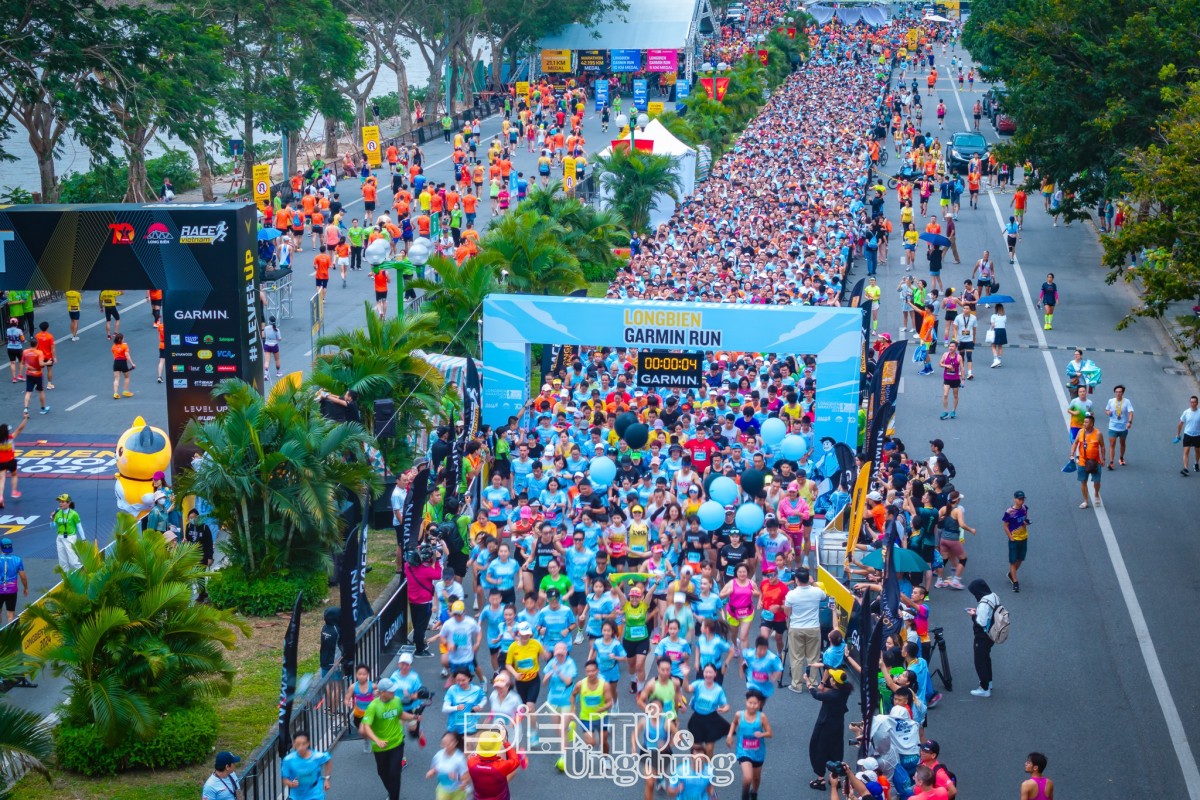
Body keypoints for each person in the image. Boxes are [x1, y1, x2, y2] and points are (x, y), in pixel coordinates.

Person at [360, 677, 420, 800]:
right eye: (390, 691)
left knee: (394, 773)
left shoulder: (396, 700)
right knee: (383, 773)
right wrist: (377, 740)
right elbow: (366, 726)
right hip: (380, 746)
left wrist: (413, 717)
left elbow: (400, 714)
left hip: (397, 742)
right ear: (382, 692)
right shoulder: (373, 707)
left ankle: (394, 797)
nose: (393, 692)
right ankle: (392, 792)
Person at [807, 669, 853, 790]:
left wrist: (809, 685)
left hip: (825, 725)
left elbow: (817, 695)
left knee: (819, 749)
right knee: (836, 749)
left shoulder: (832, 695)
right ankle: (835, 776)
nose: (830, 678)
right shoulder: (845, 690)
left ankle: (820, 779)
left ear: (834, 683)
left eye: (831, 678)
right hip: (838, 725)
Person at [784, 567, 826, 693]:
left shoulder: (791, 594)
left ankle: (796, 684)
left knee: (796, 657)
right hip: (813, 628)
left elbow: (787, 612)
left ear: (796, 580)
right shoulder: (817, 592)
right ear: (808, 578)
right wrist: (813, 582)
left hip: (796, 627)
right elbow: (824, 596)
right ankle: (812, 682)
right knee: (813, 657)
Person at [726, 689, 772, 800]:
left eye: (755, 703)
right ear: (746, 702)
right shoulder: (739, 714)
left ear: (759, 704)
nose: (752, 706)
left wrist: (762, 734)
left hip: (758, 752)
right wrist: (730, 735)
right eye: (750, 703)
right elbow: (734, 722)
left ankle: (754, 792)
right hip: (743, 751)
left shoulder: (762, 717)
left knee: (756, 778)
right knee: (747, 778)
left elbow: (770, 733)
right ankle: (745, 797)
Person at [966, 579, 999, 697]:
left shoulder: (983, 604)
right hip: (992, 633)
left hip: (982, 636)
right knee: (986, 658)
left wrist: (973, 615)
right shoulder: (993, 596)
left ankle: (984, 688)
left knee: (979, 661)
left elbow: (981, 622)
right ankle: (989, 682)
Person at [466, 729, 522, 800]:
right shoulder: (500, 766)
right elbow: (515, 760)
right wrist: (506, 743)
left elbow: (473, 756)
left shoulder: (471, 762)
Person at [280, 730, 332, 800]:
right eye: (298, 744)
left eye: (303, 744)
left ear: (308, 743)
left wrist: (327, 779)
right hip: (298, 795)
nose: (301, 747)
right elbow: (284, 779)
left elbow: (328, 759)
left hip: (315, 792)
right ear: (294, 744)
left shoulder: (316, 756)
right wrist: (291, 784)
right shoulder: (288, 760)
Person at [1069, 413, 1104, 508]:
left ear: (1092, 424)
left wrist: (1103, 459)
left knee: (1097, 481)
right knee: (1083, 481)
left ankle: (1096, 493)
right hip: (1082, 462)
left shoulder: (1098, 434)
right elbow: (1075, 443)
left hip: (1095, 462)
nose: (1084, 423)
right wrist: (1071, 454)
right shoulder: (1081, 432)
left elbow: (1102, 446)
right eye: (1084, 422)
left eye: (1086, 422)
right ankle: (1085, 501)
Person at [427, 731, 470, 800]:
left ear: (455, 743)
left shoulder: (460, 758)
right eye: (443, 743)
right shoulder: (438, 755)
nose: (445, 746)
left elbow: (467, 776)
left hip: (457, 790)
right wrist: (432, 771)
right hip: (443, 788)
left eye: (448, 743)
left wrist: (458, 778)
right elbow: (436, 767)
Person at [1002, 491, 1030, 592]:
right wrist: (1010, 537)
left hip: (1024, 537)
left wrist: (1025, 523)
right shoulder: (1009, 512)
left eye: (1023, 499)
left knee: (1021, 559)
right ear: (1015, 499)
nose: (1021, 501)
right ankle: (1015, 582)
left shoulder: (1024, 508)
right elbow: (1005, 525)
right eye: (1019, 499)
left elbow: (1024, 519)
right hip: (1014, 539)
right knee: (1013, 561)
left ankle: (1011, 574)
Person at [52, 493, 85, 572]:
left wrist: (84, 539)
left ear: (68, 503)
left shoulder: (74, 514)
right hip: (60, 538)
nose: (60, 503)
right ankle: (67, 580)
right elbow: (53, 526)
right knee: (63, 563)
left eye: (63, 502)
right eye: (60, 502)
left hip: (70, 538)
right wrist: (52, 518)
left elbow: (79, 527)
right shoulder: (58, 513)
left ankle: (85, 574)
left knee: (73, 562)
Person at [0, 537, 29, 625]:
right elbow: (23, 577)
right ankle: (10, 634)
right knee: (10, 614)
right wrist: (26, 588)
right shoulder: (18, 560)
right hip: (11, 591)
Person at [0, 419, 27, 508]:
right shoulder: (11, 438)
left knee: (2, 479)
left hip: (1, 462)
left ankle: (0, 497)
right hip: (11, 461)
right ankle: (14, 491)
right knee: (14, 475)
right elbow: (20, 429)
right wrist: (25, 419)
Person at [1104, 385, 1132, 469]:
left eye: (1120, 392)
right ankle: (1111, 462)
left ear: (1122, 393)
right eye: (1116, 392)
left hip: (1123, 427)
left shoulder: (1127, 401)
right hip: (1113, 426)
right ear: (1114, 393)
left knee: (1122, 443)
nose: (1118, 393)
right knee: (1112, 444)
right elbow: (1107, 410)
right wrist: (1108, 412)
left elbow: (1131, 412)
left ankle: (1121, 458)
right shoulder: (1111, 401)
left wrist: (1129, 422)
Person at [20, 340, 48, 416]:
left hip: (29, 374)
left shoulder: (25, 351)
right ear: (37, 344)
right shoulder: (39, 352)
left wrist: (20, 373)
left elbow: (22, 363)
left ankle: (26, 408)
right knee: (41, 391)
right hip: (38, 374)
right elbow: (41, 363)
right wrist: (47, 363)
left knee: (28, 392)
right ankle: (43, 408)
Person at [1175, 395, 1200, 477]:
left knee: (1198, 451)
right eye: (1191, 402)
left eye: (1194, 402)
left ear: (1197, 403)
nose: (1192, 404)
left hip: (1197, 435)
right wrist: (1178, 434)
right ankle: (1186, 469)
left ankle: (1196, 463)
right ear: (1189, 402)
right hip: (1187, 434)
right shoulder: (1186, 412)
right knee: (1186, 451)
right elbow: (1180, 424)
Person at [938, 341, 962, 420]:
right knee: (945, 394)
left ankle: (953, 411)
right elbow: (940, 363)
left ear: (956, 348)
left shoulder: (959, 357)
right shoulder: (945, 355)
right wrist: (946, 365)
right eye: (949, 346)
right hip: (947, 378)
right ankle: (945, 411)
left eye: (952, 346)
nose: (950, 348)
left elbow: (962, 368)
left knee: (955, 396)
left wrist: (963, 379)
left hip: (955, 379)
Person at [111, 332, 135, 399]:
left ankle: (115, 393)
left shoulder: (113, 346)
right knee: (127, 377)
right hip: (123, 362)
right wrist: (132, 364)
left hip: (116, 363)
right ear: (121, 339)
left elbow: (113, 352)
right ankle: (125, 391)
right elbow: (127, 356)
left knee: (116, 379)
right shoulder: (125, 346)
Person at [988, 304, 1007, 368]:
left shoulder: (993, 316)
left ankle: (995, 359)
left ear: (996, 309)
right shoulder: (1004, 316)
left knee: (993, 345)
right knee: (1000, 346)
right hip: (1003, 331)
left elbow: (993, 325)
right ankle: (999, 361)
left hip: (996, 330)